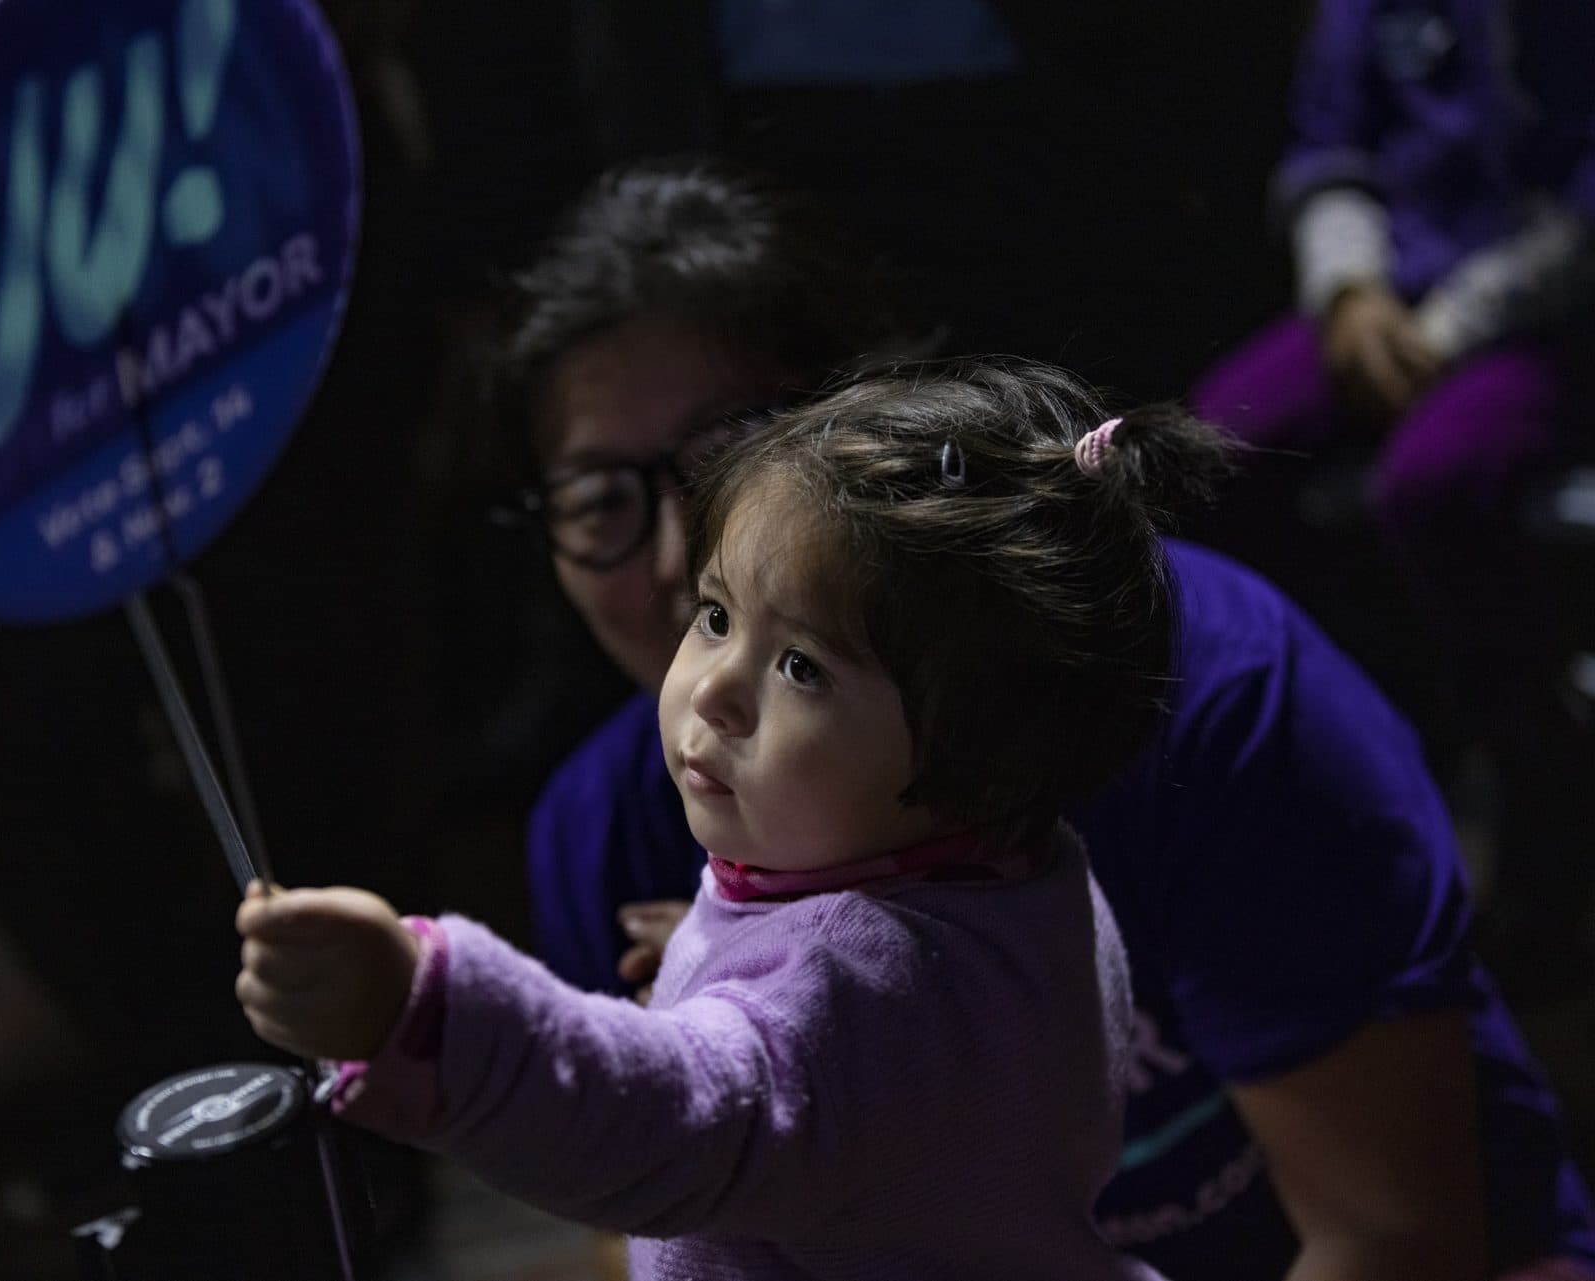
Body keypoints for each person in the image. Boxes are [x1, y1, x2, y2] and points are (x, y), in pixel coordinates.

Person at [501, 160, 1595, 1281]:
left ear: (884, 426)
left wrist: (426, 1015)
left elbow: (1395, 1237)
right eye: (598, 500)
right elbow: (648, 1227)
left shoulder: (1214, 700)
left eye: (729, 460)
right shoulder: (613, 828)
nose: (682, 559)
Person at [235, 365, 1229, 1279]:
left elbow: (676, 1122)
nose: (713, 691)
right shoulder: (1027, 861)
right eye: (715, 615)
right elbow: (906, 1053)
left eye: (802, 667)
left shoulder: (850, 989)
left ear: (983, 760)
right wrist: (730, 959)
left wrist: (423, 1010)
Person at [1188, 0, 1595, 979]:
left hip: (1544, 312)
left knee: (1436, 483)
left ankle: (1532, 762)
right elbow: (1331, 152)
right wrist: (1349, 294)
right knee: (1215, 451)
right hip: (1386, 298)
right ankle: (1331, 746)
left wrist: (1452, 328)